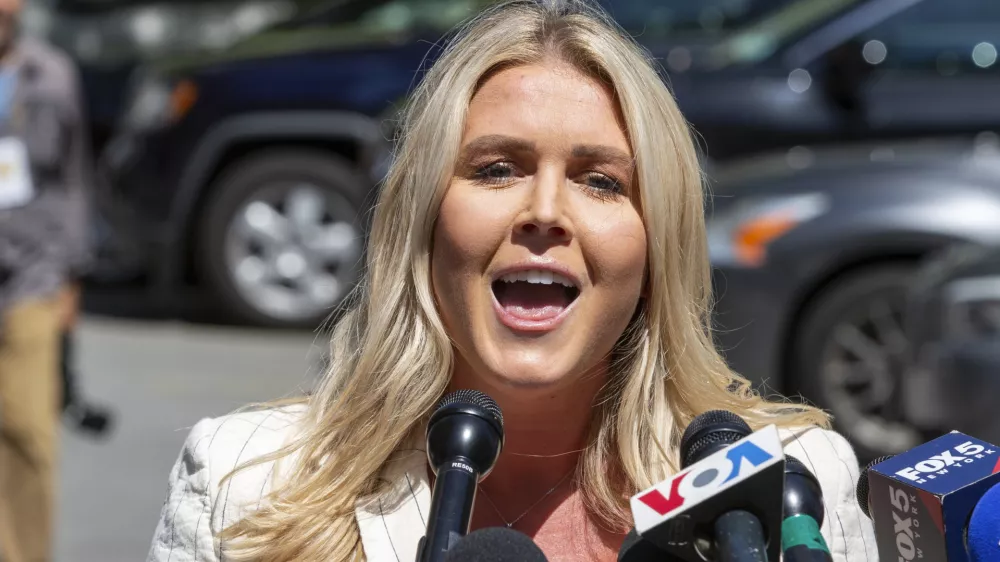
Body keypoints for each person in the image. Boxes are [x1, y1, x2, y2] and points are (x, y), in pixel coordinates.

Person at [146, 1, 877, 561]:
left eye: (599, 181)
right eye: (497, 169)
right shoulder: (243, 484)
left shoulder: (795, 488)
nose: (545, 212)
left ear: (660, 243)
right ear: (423, 221)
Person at [0, 0, 95, 558]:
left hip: (33, 277)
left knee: (31, 433)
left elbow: (76, 180)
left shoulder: (51, 75)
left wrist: (71, 280)